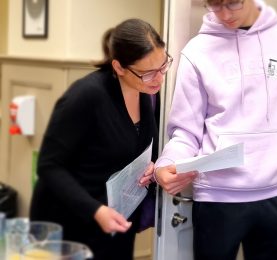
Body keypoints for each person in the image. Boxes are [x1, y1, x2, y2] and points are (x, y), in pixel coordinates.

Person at [154, 0, 277, 259]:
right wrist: (166, 163)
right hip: (217, 199)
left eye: (233, 3)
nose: (225, 14)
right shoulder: (197, 51)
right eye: (215, 5)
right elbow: (186, 132)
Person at [30, 18, 172, 260]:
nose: (159, 79)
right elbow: (49, 166)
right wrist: (95, 210)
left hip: (116, 218)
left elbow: (134, 147)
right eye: (148, 73)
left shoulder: (147, 94)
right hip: (73, 221)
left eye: (163, 66)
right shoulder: (86, 96)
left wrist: (150, 166)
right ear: (119, 67)